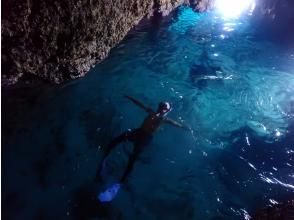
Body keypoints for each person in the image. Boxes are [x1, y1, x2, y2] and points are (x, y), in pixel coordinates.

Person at [97, 95, 188, 183]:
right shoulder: (151, 112)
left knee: (133, 158)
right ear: (158, 107)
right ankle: (104, 160)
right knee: (116, 140)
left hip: (145, 138)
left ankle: (120, 182)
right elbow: (139, 104)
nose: (161, 109)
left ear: (167, 111)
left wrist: (185, 127)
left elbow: (177, 124)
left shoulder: (165, 120)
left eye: (164, 108)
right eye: (161, 106)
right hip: (139, 131)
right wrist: (130, 97)